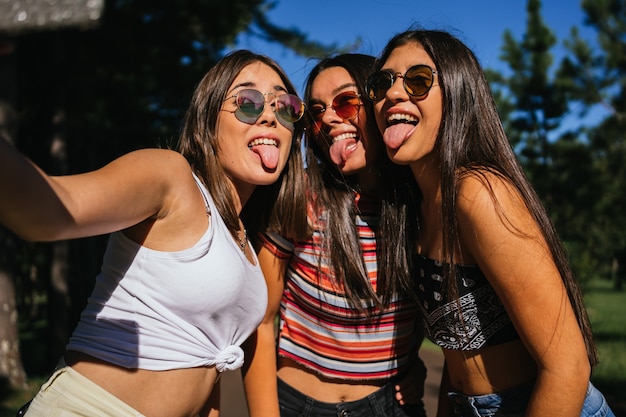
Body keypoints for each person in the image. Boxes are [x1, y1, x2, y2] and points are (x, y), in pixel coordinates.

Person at [0, 49, 307, 417]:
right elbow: (46, 210)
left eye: (285, 105)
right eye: (248, 101)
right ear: (208, 120)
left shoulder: (242, 238)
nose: (271, 115)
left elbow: (211, 367)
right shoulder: (171, 177)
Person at [365, 29, 615, 417]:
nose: (393, 94)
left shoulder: (477, 192)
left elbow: (567, 366)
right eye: (381, 82)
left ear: (459, 94)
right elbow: (457, 357)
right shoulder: (414, 207)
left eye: (418, 80)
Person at [242, 53, 427, 417]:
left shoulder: (419, 205)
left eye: (345, 102)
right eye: (316, 111)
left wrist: (415, 364)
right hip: (298, 404)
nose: (327, 118)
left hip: (391, 406)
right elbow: (262, 321)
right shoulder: (300, 198)